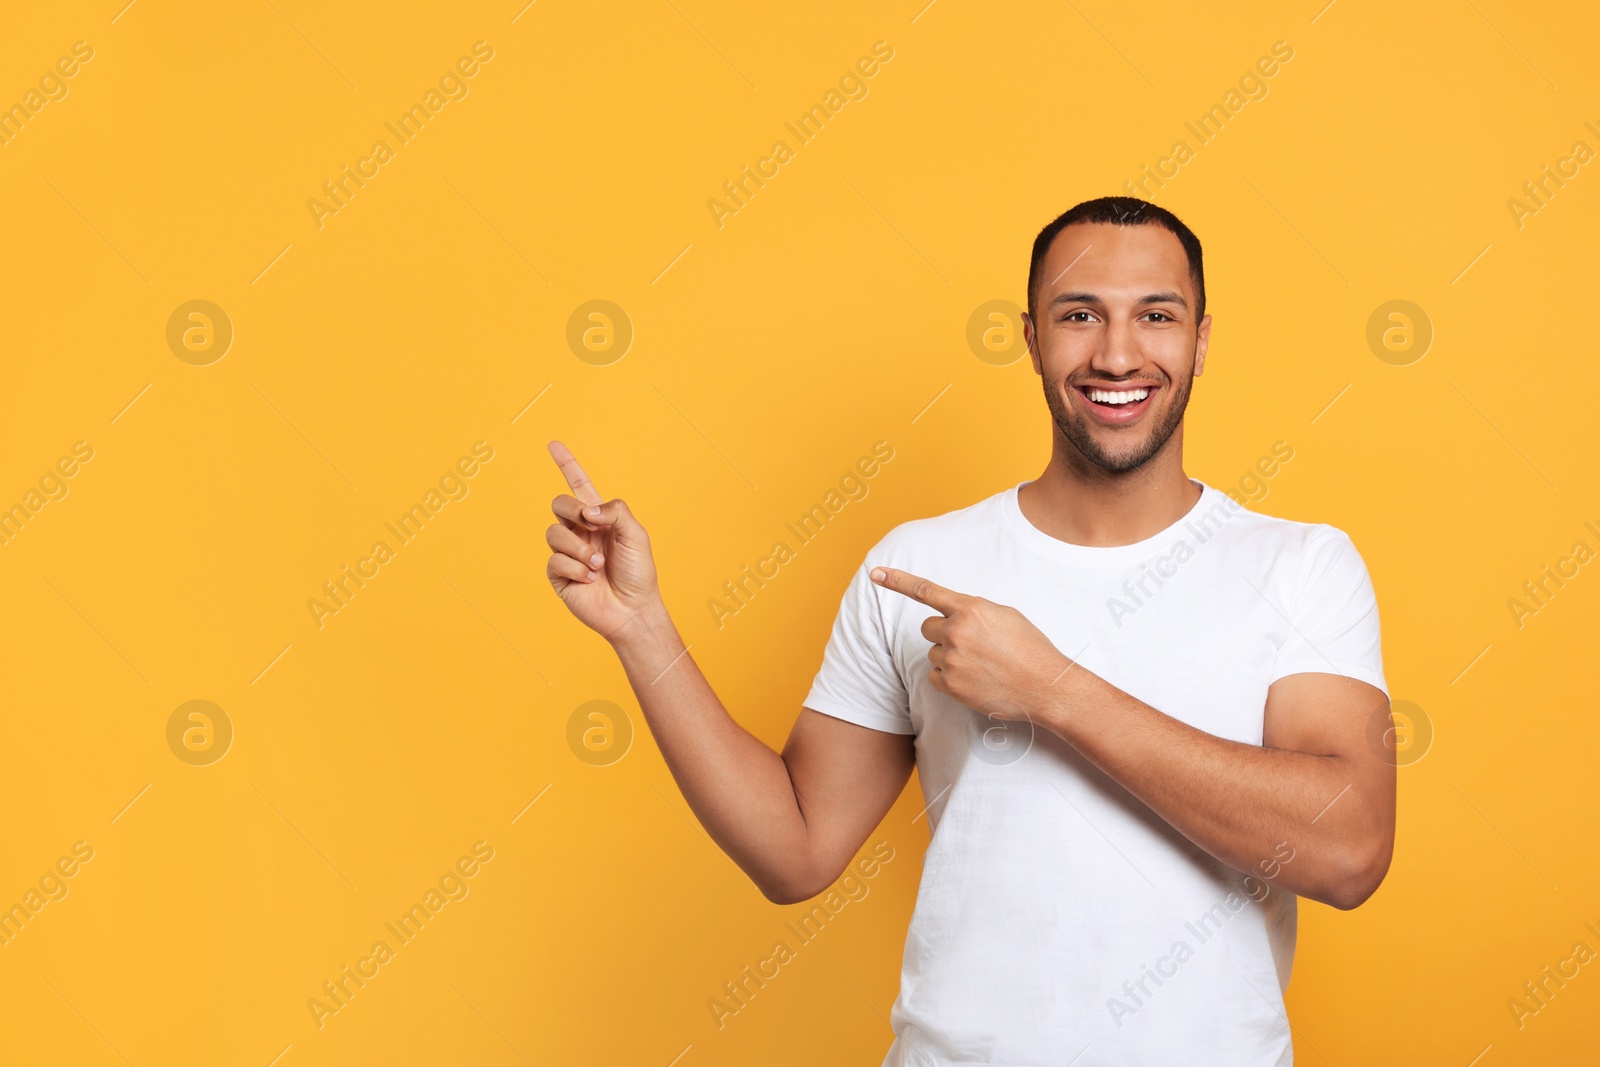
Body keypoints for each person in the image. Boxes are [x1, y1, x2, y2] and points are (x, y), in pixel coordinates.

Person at [544, 195, 1395, 1066]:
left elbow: (1350, 850)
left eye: (1156, 315)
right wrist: (643, 632)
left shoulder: (1301, 566)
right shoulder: (920, 562)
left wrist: (1054, 691)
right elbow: (794, 848)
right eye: (1079, 314)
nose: (1116, 353)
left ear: (1202, 340)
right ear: (1031, 338)